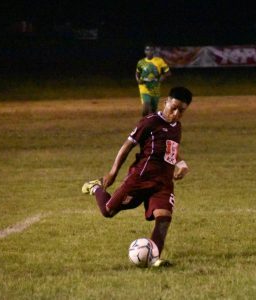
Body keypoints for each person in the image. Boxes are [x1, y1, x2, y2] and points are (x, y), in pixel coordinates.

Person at [82, 86, 192, 267]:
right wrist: (113, 172)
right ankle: (96, 188)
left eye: (182, 110)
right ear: (166, 102)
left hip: (163, 183)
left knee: (164, 218)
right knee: (108, 211)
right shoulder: (150, 122)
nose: (176, 113)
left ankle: (154, 258)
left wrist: (181, 164)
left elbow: (170, 149)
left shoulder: (177, 127)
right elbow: (127, 146)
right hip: (140, 178)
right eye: (174, 107)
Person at [136, 43, 172, 117]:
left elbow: (168, 73)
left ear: (153, 51)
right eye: (147, 50)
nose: (149, 52)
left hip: (155, 88)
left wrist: (162, 77)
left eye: (151, 50)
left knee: (153, 109)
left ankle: (152, 123)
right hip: (144, 87)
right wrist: (138, 80)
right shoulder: (141, 62)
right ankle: (144, 124)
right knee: (146, 108)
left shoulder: (159, 61)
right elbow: (137, 73)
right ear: (145, 51)